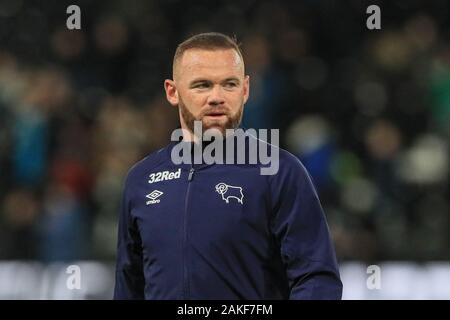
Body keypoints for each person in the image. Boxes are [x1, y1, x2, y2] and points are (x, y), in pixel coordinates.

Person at [114, 32, 342, 299]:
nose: (217, 97)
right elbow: (128, 286)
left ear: (245, 90)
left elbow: (316, 279)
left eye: (229, 85)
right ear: (172, 92)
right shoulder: (141, 180)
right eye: (202, 85)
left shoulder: (279, 172)